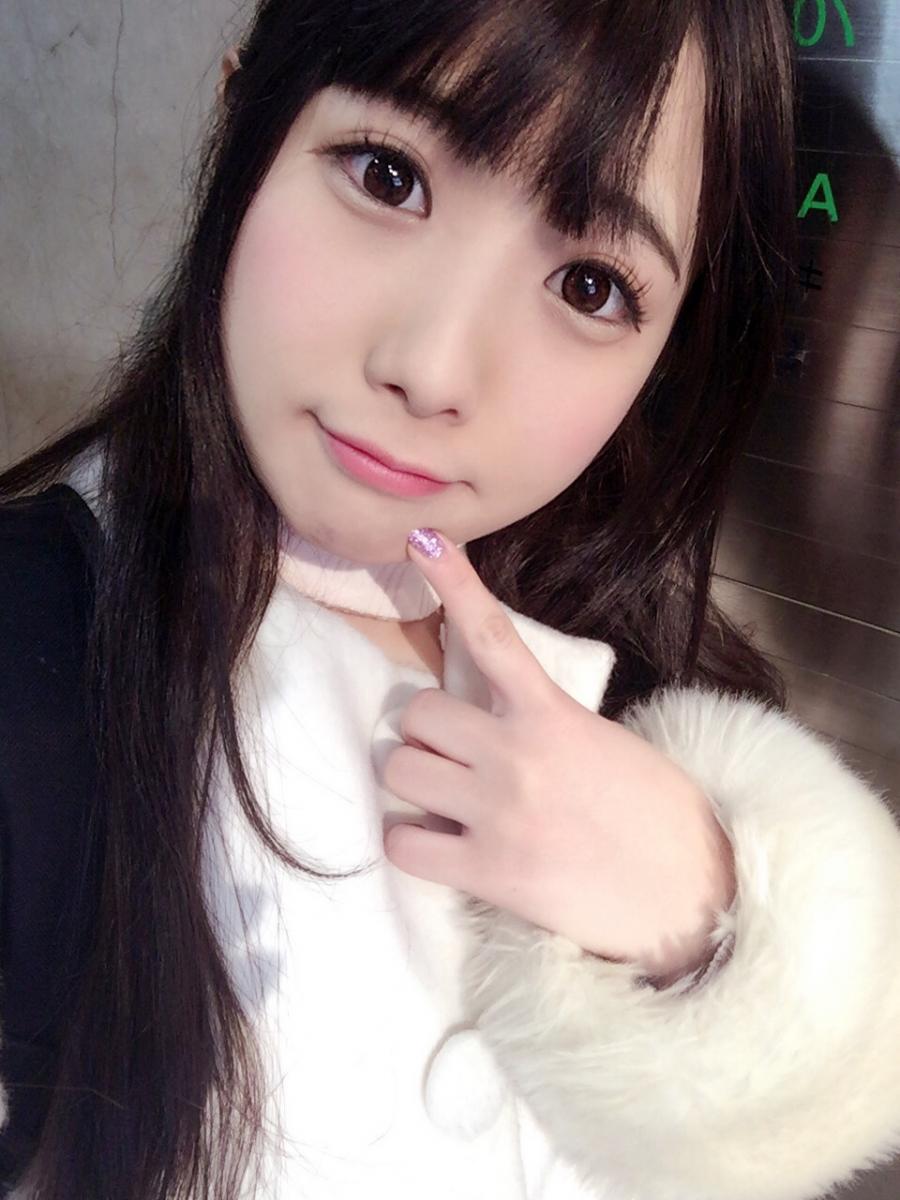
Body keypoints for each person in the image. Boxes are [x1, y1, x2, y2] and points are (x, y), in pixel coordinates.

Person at [0, 0, 898, 1197]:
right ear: (244, 122)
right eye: (388, 176)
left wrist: (717, 925)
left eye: (589, 285)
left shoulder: (650, 693)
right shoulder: (34, 664)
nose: (430, 368)